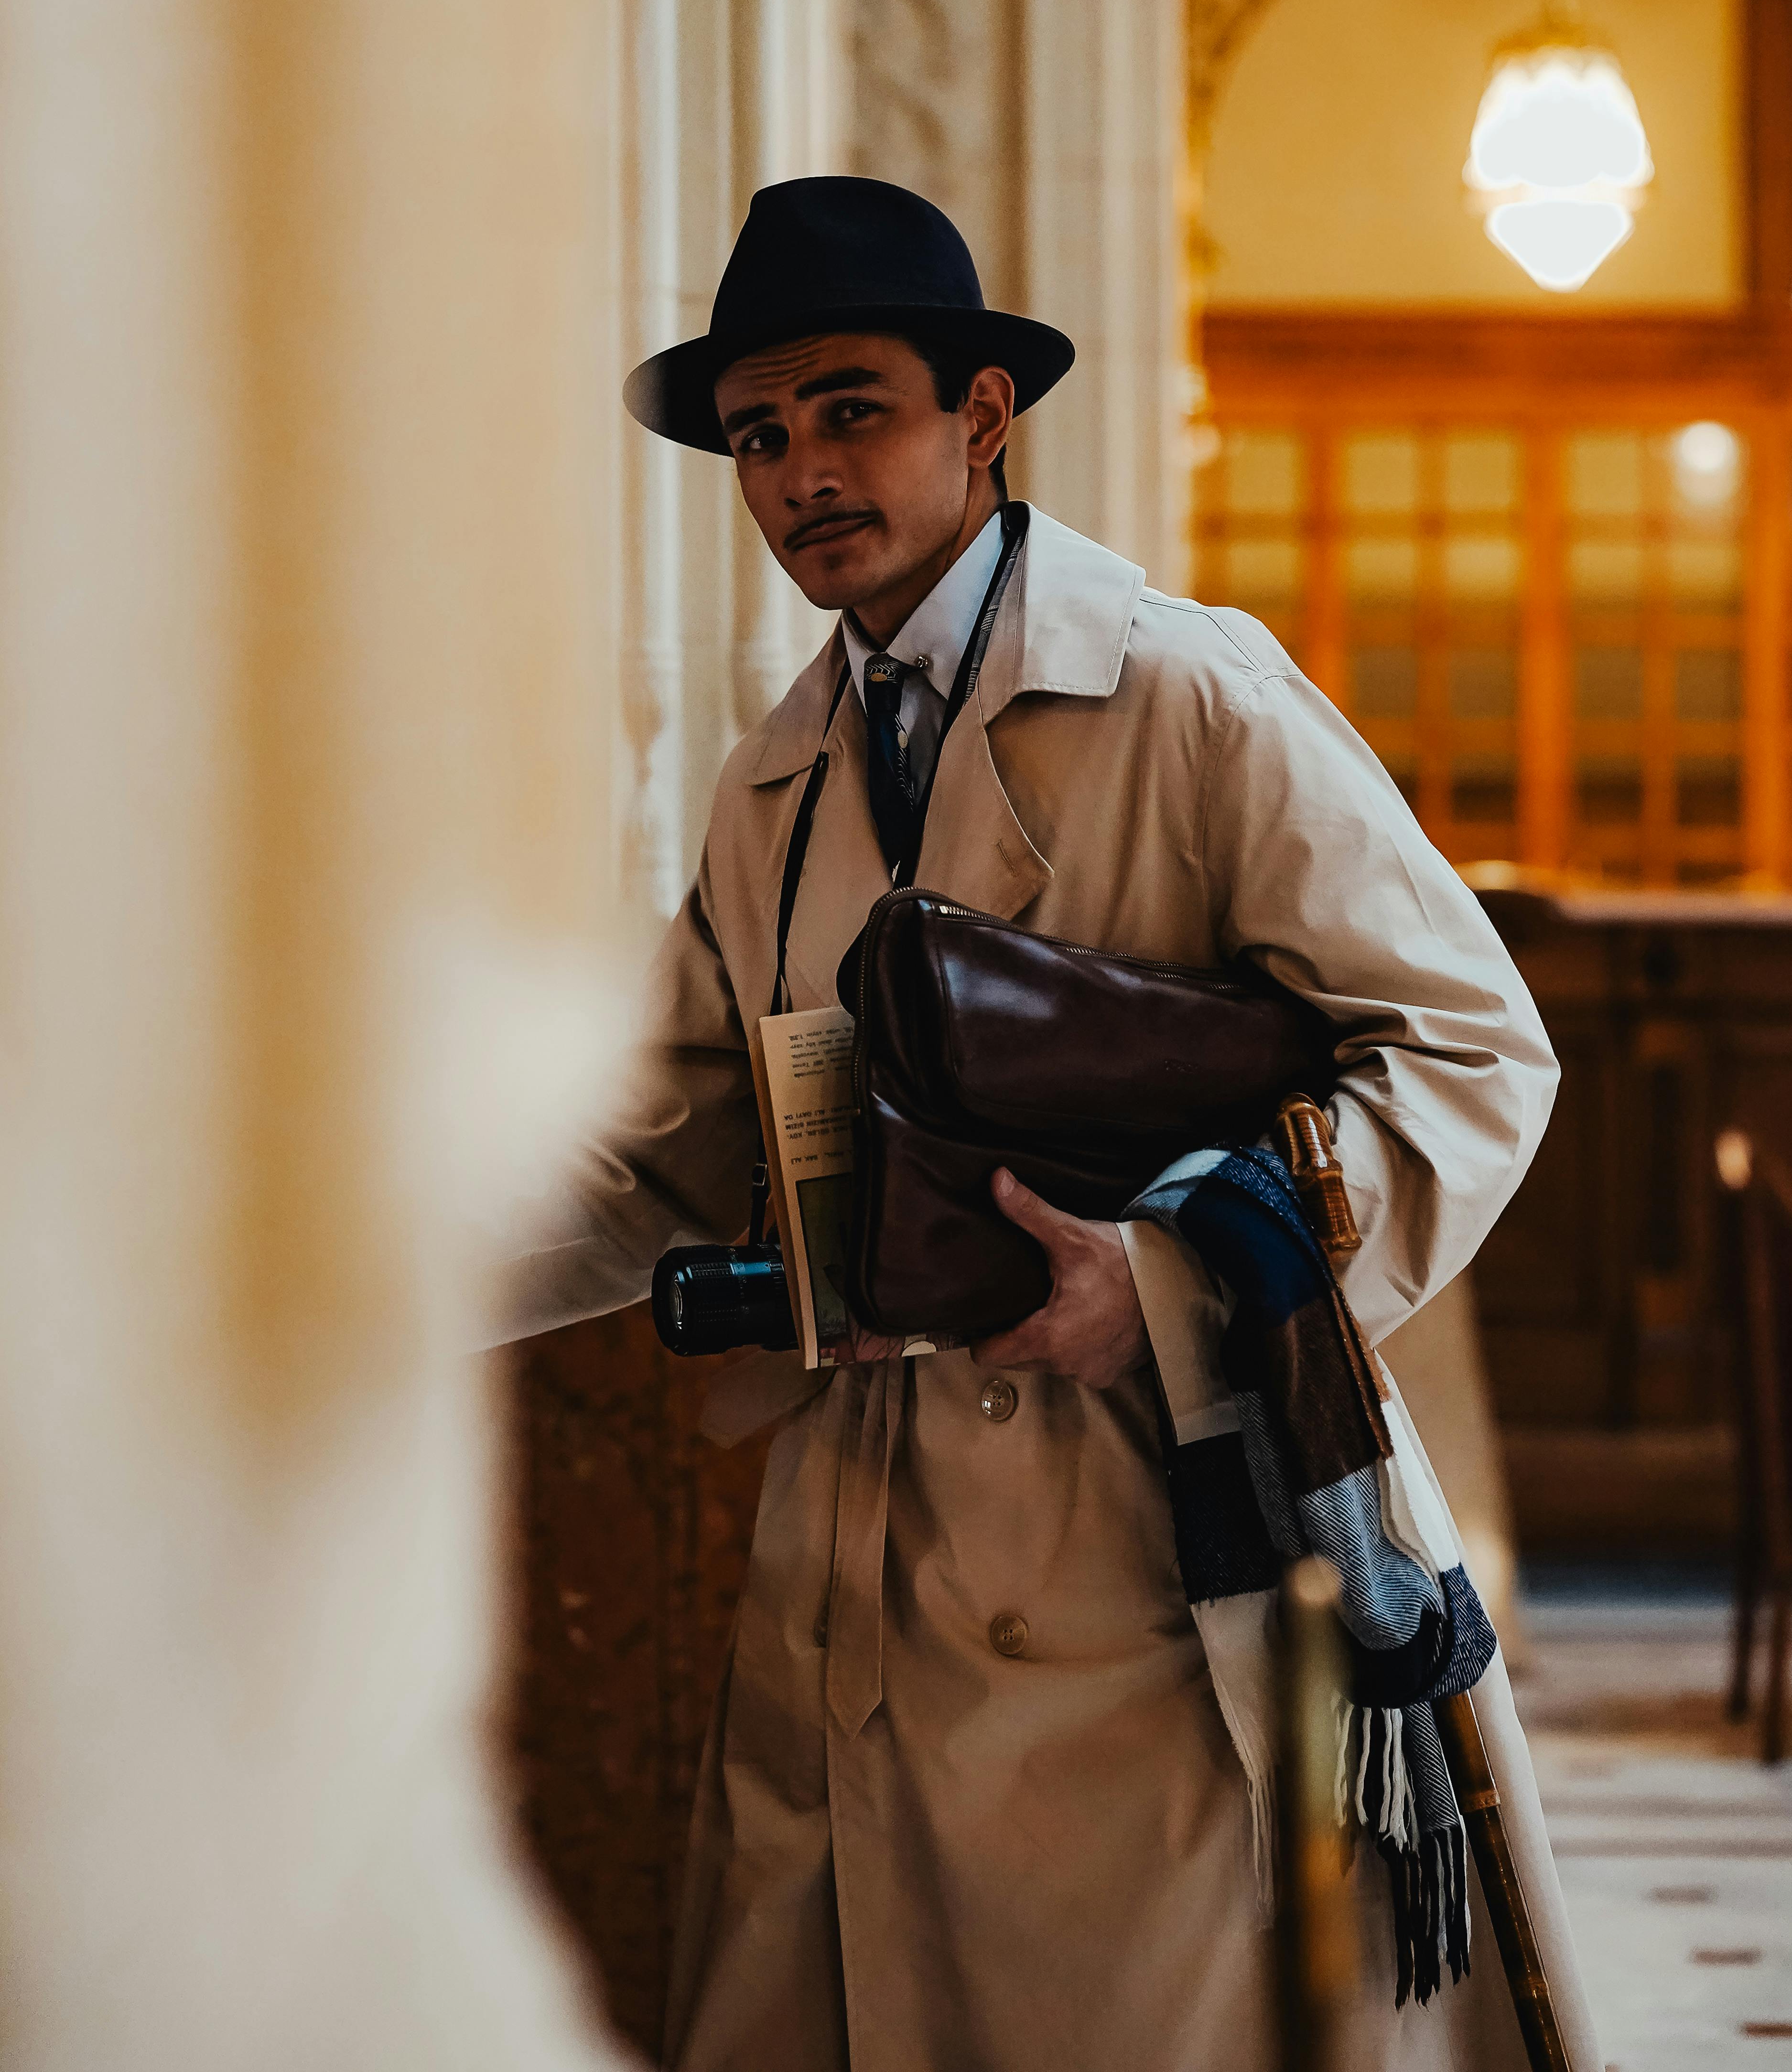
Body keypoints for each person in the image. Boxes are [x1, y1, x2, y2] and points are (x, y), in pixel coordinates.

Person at [500, 175, 1599, 2072]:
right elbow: (678, 1139)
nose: (795, 473)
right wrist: (346, 1274)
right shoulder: (779, 770)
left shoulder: (1187, 688)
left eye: (850, 407)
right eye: (757, 434)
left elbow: (1469, 1050)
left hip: (1153, 1538)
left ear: (981, 415)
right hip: (868, 1539)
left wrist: (1161, 1282)